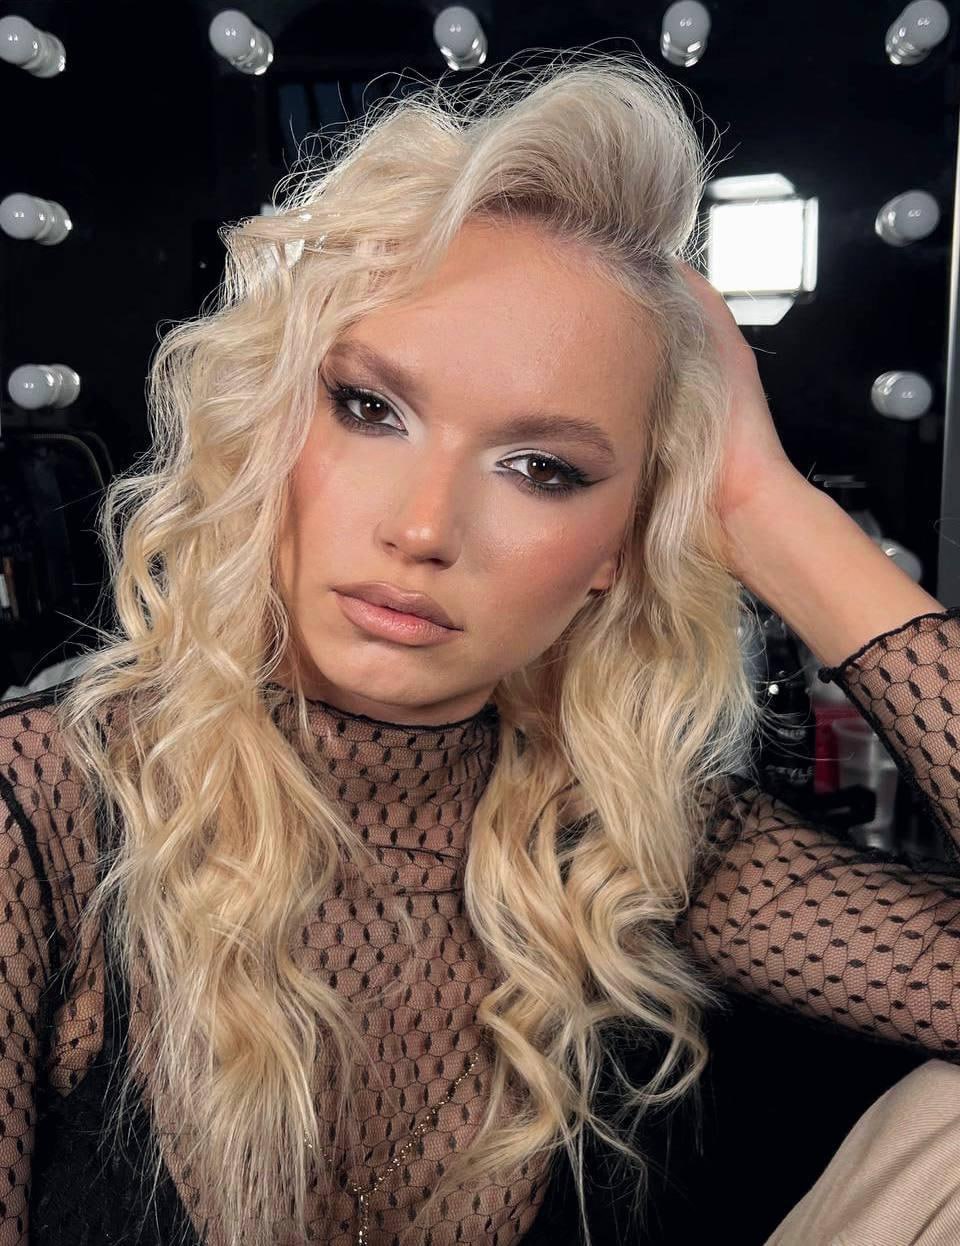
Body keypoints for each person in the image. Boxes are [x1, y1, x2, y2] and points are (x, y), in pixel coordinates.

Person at [2, 46, 959, 1246]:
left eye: (541, 468)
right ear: (270, 421)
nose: (422, 529)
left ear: (617, 544)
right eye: (369, 408)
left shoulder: (618, 833)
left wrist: (770, 510)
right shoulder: (42, 814)